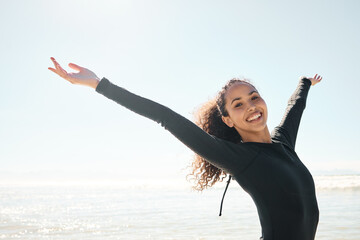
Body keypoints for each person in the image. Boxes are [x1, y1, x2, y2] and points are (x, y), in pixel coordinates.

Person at [48, 57, 323, 240]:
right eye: (238, 104)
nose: (250, 106)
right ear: (227, 119)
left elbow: (295, 106)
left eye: (254, 97)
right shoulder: (239, 159)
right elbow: (165, 117)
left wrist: (304, 83)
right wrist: (99, 84)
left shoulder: (283, 142)